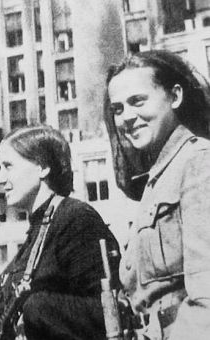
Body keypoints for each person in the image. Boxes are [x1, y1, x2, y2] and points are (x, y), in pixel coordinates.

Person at [104, 50, 210, 340]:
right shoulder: (159, 176)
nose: (127, 117)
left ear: (175, 96)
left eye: (138, 101)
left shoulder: (199, 162)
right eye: (117, 109)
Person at [0, 125, 120, 340]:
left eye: (8, 166)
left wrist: (37, 308)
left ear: (42, 167)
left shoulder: (75, 219)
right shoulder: (40, 227)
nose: (0, 179)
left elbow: (108, 311)